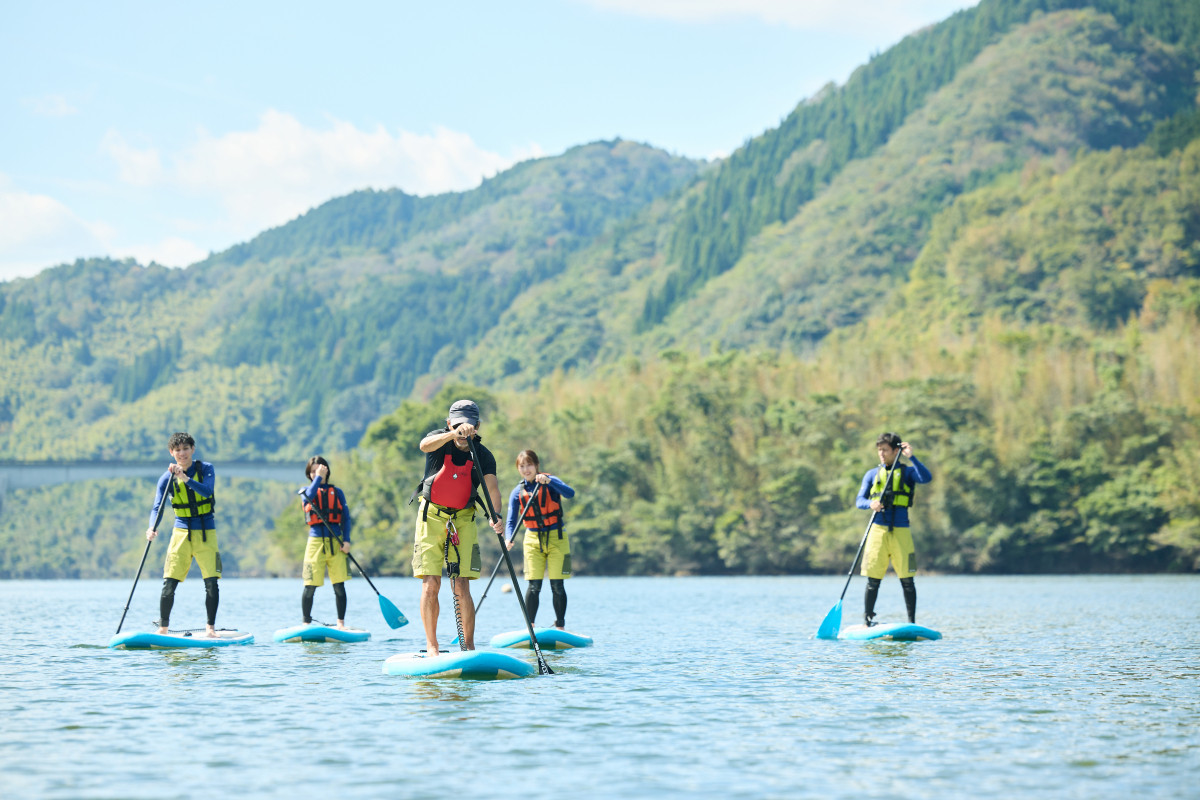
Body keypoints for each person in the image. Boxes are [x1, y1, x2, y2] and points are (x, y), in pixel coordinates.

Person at [412, 399, 504, 655]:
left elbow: (493, 489)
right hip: (432, 516)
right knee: (431, 583)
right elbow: (423, 446)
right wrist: (453, 435)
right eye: (458, 423)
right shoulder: (438, 439)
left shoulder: (483, 455)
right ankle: (432, 647)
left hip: (463, 518)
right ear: (449, 423)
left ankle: (469, 647)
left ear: (477, 427)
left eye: (469, 425)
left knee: (461, 584)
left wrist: (496, 515)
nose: (465, 429)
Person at [145, 432, 220, 636]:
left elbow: (207, 492)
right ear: (171, 452)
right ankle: (163, 629)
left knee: (211, 582)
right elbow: (157, 507)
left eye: (186, 449)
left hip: (206, 531)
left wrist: (184, 478)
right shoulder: (165, 478)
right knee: (169, 582)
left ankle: (210, 629)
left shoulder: (206, 469)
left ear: (192, 450)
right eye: (177, 450)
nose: (182, 453)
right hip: (181, 533)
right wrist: (152, 527)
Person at [855, 432, 933, 626]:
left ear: (896, 451)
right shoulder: (872, 474)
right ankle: (867, 621)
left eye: (885, 450)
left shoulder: (907, 472)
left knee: (907, 579)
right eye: (879, 450)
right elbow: (859, 501)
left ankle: (911, 623)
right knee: (873, 579)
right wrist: (870, 504)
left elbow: (926, 477)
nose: (881, 454)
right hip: (877, 530)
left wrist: (911, 457)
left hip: (901, 530)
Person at [504, 450, 576, 630]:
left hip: (556, 536)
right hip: (532, 539)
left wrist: (550, 481)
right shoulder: (517, 492)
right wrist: (508, 537)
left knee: (557, 585)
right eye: (522, 466)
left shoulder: (551, 482)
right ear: (518, 469)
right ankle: (531, 627)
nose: (526, 469)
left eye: (529, 465)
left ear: (536, 466)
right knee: (534, 585)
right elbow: (511, 519)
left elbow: (570, 493)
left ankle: (560, 626)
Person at [298, 456, 353, 629]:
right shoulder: (305, 490)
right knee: (310, 585)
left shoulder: (337, 492)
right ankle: (306, 622)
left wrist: (347, 540)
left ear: (327, 470)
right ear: (309, 474)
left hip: (336, 542)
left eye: (319, 470)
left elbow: (346, 518)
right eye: (312, 471)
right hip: (315, 543)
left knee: (339, 586)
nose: (316, 474)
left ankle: (340, 623)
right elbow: (309, 498)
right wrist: (318, 478)